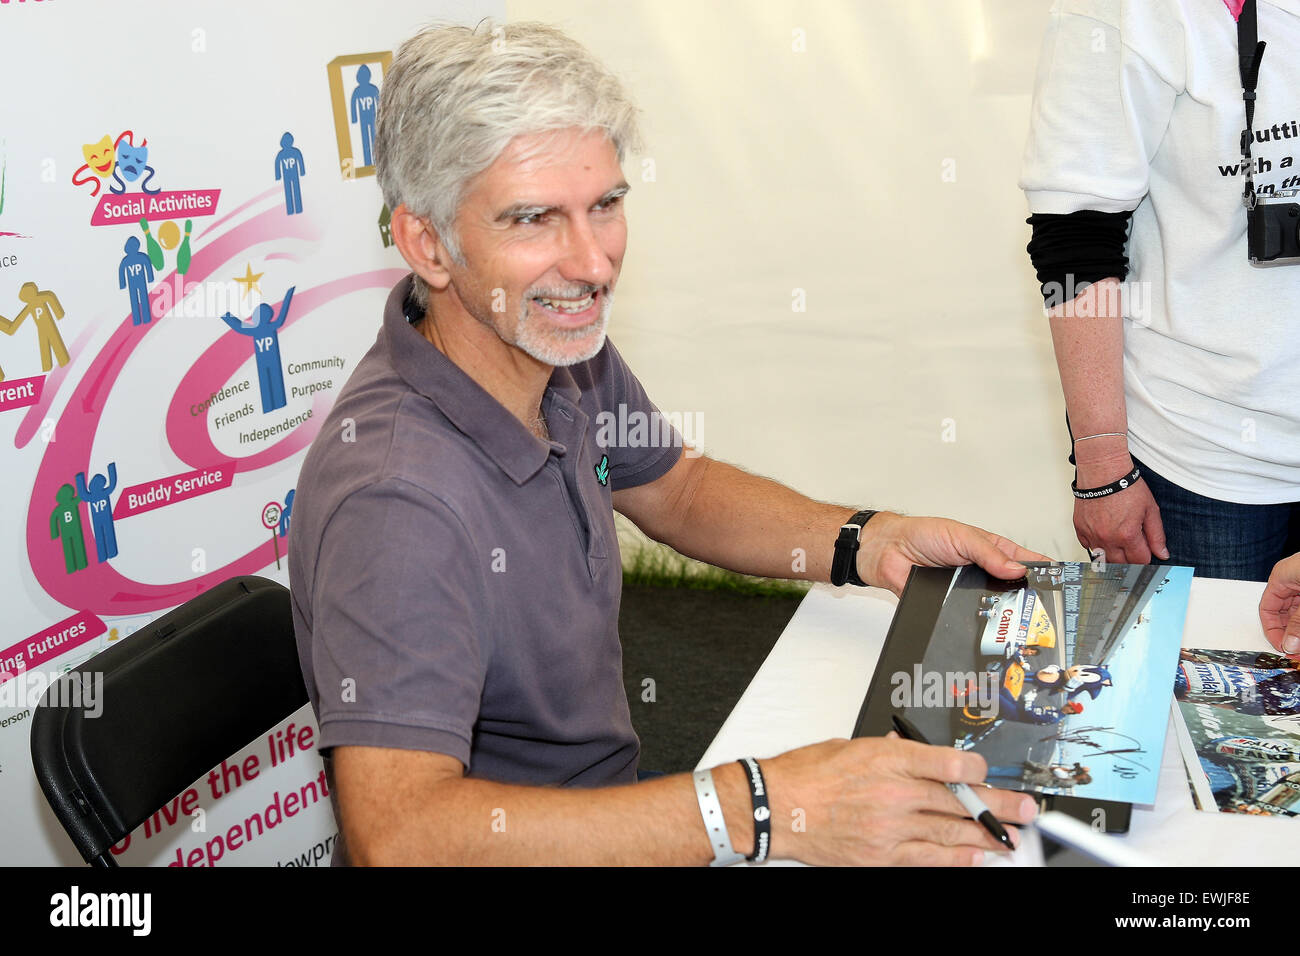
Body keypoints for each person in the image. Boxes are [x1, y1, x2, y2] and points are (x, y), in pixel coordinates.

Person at [289, 21, 1040, 867]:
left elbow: (677, 489)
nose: (594, 263)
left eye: (604, 205)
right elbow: (400, 837)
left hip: (626, 815)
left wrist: (869, 540)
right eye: (534, 219)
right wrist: (764, 807)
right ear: (427, 243)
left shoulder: (549, 347)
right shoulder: (396, 499)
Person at [1020, 0, 1300, 581]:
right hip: (1209, 459)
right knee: (1202, 669)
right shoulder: (1122, 14)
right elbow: (1076, 238)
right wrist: (1102, 470)